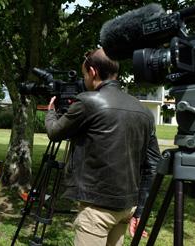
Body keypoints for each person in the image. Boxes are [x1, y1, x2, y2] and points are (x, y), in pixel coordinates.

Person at [45, 48, 161, 246]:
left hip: (96, 210)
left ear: (92, 71)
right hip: (127, 207)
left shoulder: (88, 102)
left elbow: (55, 132)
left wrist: (51, 112)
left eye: (84, 74)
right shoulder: (144, 111)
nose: (85, 80)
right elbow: (153, 164)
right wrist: (140, 210)